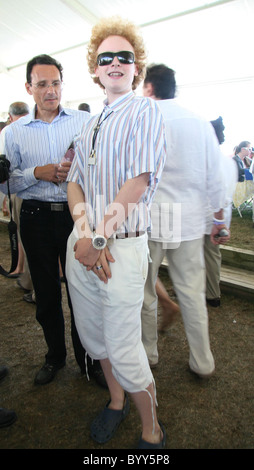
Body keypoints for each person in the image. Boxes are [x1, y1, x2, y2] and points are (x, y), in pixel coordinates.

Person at [66, 17, 167, 448]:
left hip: (119, 247)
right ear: (95, 68)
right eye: (105, 57)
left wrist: (99, 237)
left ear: (135, 67)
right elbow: (73, 181)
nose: (114, 63)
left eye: (123, 56)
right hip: (86, 243)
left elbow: (139, 181)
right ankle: (115, 400)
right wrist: (83, 230)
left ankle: (152, 429)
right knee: (94, 336)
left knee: (125, 345)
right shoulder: (90, 123)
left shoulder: (145, 109)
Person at [1, 54, 102, 386]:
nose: (50, 91)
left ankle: (90, 360)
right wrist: (37, 173)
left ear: (62, 85)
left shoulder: (84, 121)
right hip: (34, 218)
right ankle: (54, 356)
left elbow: (98, 169)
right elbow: (7, 183)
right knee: (46, 295)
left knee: (83, 292)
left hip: (76, 218)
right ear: (29, 87)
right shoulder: (14, 133)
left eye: (55, 83)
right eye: (42, 84)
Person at [141, 63, 230, 375]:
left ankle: (149, 354)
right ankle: (203, 362)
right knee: (192, 292)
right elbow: (215, 177)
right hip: (189, 219)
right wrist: (219, 220)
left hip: (151, 217)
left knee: (145, 289)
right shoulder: (199, 122)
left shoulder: (143, 119)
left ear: (149, 88)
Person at [205, 117, 237, 307]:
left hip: (209, 219)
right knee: (212, 257)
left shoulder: (210, 160)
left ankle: (209, 294)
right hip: (222, 218)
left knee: (203, 258)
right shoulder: (229, 162)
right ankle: (212, 293)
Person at [0, 102, 30, 279]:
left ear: (10, 117)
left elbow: (4, 169)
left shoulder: (8, 132)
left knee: (22, 232)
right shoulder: (38, 127)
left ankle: (23, 274)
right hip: (44, 189)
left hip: (17, 188)